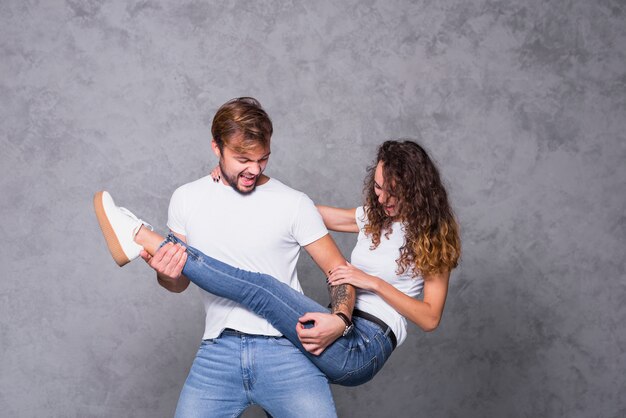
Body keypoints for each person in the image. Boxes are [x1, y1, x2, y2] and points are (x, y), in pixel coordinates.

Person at [94, 139, 461, 390]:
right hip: (341, 328)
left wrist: (374, 283)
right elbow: (298, 210)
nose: (382, 199)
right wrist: (238, 176)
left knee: (263, 290)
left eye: (392, 193)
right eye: (378, 187)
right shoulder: (373, 217)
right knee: (269, 319)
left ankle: (141, 235)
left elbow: (430, 317)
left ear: (416, 190)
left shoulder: (434, 233)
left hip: (365, 348)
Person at [98, 97, 355, 417]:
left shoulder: (293, 203)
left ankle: (136, 233)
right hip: (218, 351)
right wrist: (165, 273)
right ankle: (137, 236)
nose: (254, 169)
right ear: (216, 148)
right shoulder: (187, 199)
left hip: (286, 349)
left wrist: (341, 319)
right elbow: (177, 283)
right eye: (242, 158)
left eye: (263, 159)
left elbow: (339, 270)